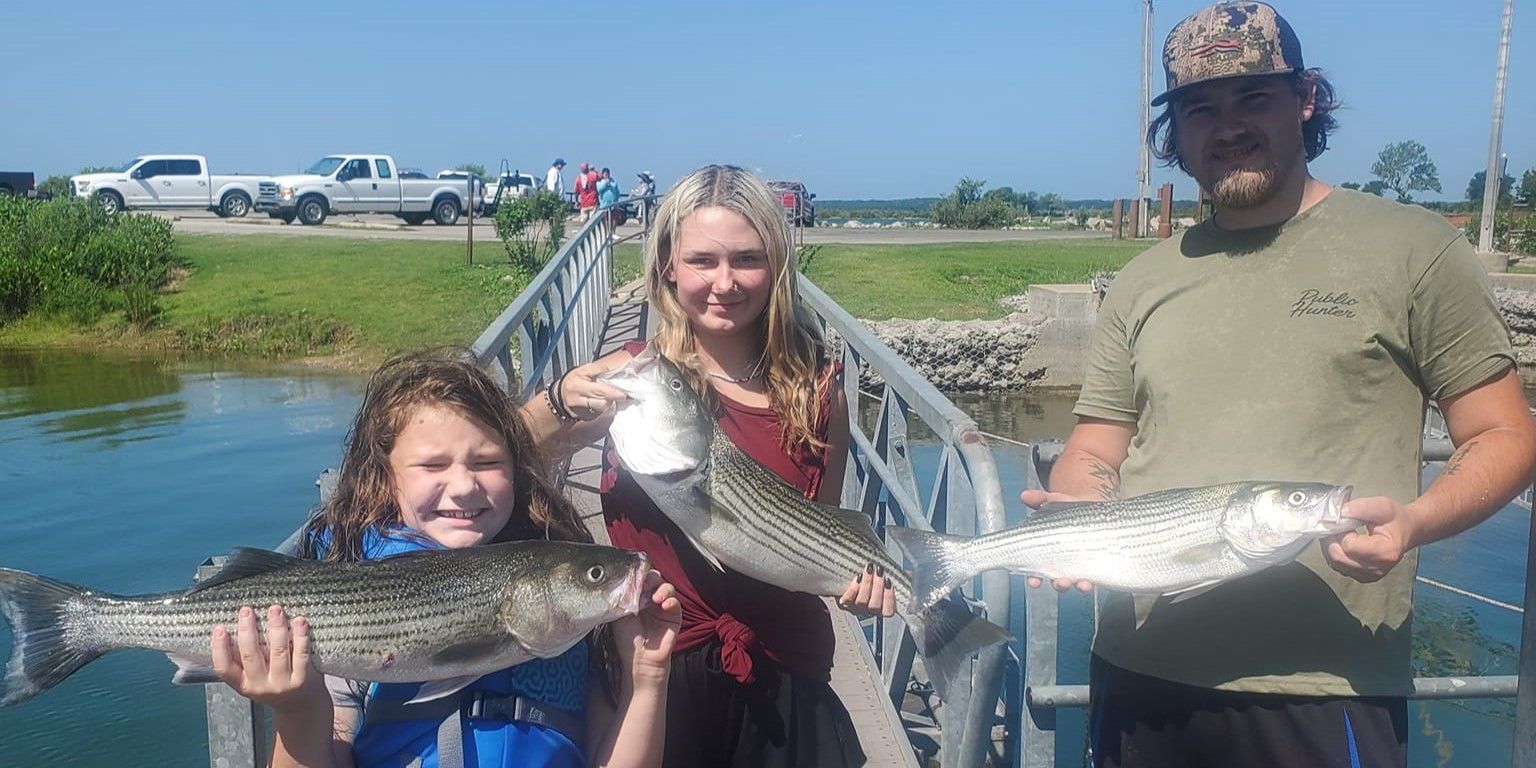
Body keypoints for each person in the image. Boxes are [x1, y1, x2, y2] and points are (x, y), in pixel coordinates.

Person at [1031, 3, 1536, 767]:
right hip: (1139, 673)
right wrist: (1083, 514)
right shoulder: (1141, 281)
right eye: (1200, 107)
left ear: (1306, 99)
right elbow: (1094, 449)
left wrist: (1413, 524)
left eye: (1253, 98)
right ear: (1176, 133)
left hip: (1326, 685)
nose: (1226, 125)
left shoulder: (1415, 250)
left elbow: (1504, 435)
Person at [521, 165, 889, 767]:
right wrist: (557, 401)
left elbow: (824, 527)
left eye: (747, 258)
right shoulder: (635, 373)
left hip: (785, 673)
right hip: (654, 667)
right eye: (702, 261)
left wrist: (856, 588)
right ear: (668, 264)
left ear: (776, 265)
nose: (725, 282)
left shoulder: (820, 389)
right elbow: (500, 459)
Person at [209, 350, 682, 768]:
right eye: (433, 465)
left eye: (487, 462)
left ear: (517, 469)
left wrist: (647, 678)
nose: (462, 485)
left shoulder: (572, 630)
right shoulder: (342, 594)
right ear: (384, 474)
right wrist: (297, 708)